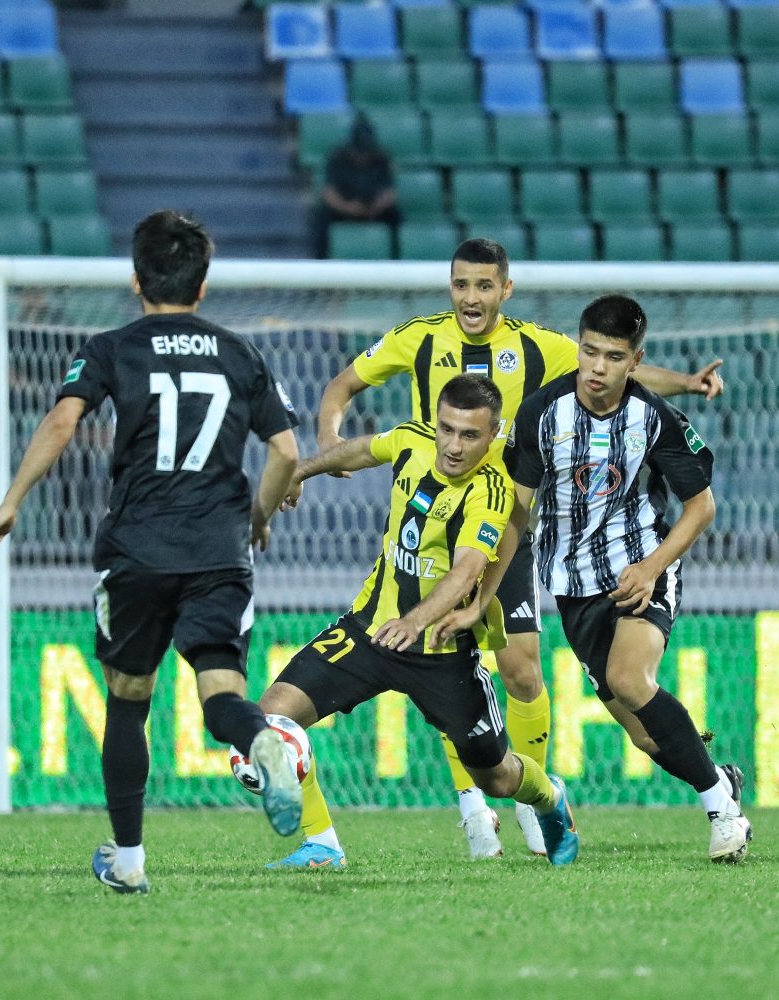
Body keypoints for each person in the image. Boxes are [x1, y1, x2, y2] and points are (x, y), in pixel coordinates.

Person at [295, 237, 727, 862]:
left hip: (506, 522)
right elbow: (342, 385)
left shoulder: (535, 346)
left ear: (505, 290)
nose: (471, 297)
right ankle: (474, 808)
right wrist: (328, 442)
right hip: (430, 527)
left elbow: (615, 372)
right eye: (461, 284)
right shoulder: (417, 338)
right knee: (443, 656)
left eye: (483, 285)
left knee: (521, 668)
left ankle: (533, 801)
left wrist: (685, 383)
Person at [0, 210, 304, 894]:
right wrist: (259, 516)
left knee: (128, 699)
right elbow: (286, 452)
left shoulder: (112, 347)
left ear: (135, 280)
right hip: (218, 551)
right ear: (202, 285)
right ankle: (259, 740)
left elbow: (63, 420)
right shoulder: (240, 353)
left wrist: (12, 500)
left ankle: (128, 862)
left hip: (137, 549)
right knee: (222, 693)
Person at [435, 294, 751, 864]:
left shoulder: (654, 417)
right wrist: (483, 595)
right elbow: (517, 514)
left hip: (640, 568)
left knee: (631, 678)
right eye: (589, 352)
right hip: (572, 585)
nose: (597, 367)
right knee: (643, 734)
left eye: (613, 356)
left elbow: (701, 506)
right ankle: (719, 777)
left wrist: (653, 567)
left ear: (636, 360)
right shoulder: (540, 414)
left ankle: (722, 813)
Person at [260, 373, 578, 869]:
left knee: (496, 777)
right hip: (368, 632)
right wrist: (303, 469)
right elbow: (361, 450)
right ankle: (321, 844)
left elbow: (466, 571)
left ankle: (549, 797)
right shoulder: (412, 440)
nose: (453, 446)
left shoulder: (491, 491)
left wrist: (415, 622)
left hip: (442, 655)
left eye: (469, 435)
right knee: (272, 719)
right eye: (447, 429)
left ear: (493, 434)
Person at [311, 114, 401, 259]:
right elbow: (328, 193)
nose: (362, 156)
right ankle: (322, 262)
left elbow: (390, 193)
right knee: (321, 217)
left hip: (374, 209)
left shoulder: (382, 158)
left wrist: (376, 206)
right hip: (344, 207)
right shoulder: (337, 157)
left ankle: (398, 261)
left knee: (396, 217)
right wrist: (347, 207)